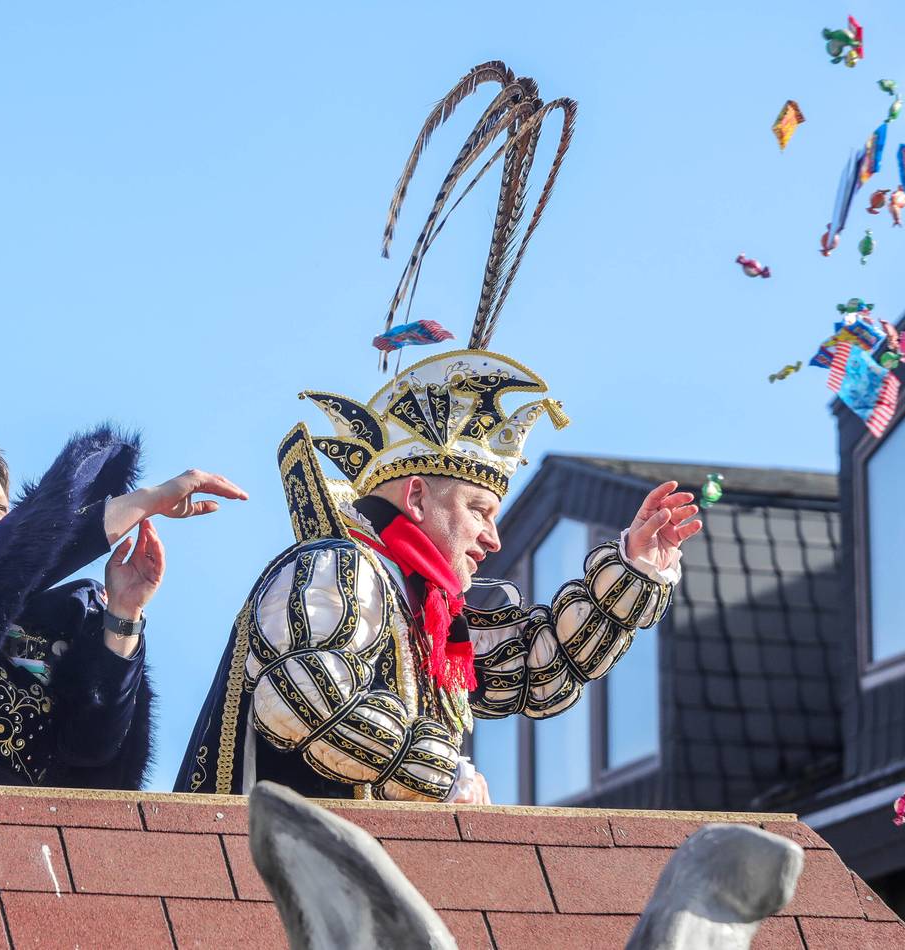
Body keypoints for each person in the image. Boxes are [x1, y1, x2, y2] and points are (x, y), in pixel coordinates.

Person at [176, 62, 702, 802]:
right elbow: (302, 697)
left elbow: (539, 665)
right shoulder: (338, 568)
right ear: (416, 493)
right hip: (252, 891)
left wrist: (635, 571)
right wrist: (442, 773)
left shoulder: (424, 611)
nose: (493, 538)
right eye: (481, 511)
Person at [0, 428, 246, 789]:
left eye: (1, 507)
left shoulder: (64, 621)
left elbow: (90, 750)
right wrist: (149, 500)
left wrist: (122, 614)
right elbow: (7, 554)